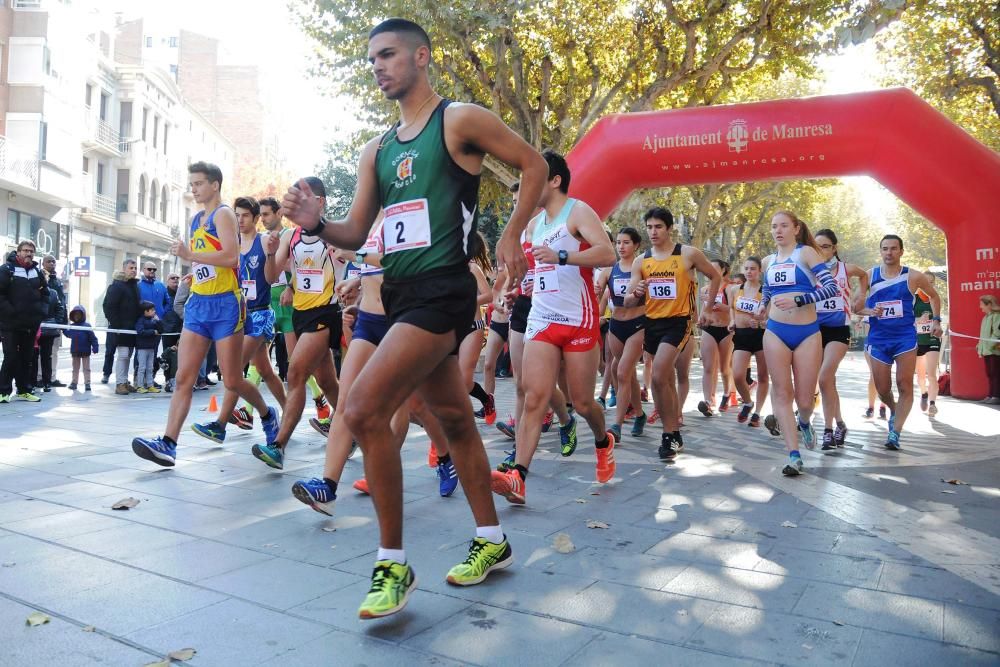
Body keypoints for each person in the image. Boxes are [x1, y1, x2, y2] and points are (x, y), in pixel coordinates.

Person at [281, 18, 548, 619]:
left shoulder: (459, 120)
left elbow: (533, 164)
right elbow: (356, 232)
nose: (377, 66)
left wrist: (511, 233)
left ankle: (392, 562)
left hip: (444, 291)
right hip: (398, 294)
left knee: (362, 408)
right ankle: (492, 539)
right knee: (453, 419)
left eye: (389, 54)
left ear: (421, 56)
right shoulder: (375, 149)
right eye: (371, 58)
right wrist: (316, 222)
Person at [131, 161, 279, 466]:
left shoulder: (224, 214)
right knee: (184, 378)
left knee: (232, 380)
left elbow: (231, 256)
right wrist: (195, 273)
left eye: (198, 183)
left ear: (214, 184)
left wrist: (190, 255)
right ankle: (169, 443)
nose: (193, 189)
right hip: (199, 303)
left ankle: (267, 414)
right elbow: (208, 261)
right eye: (192, 184)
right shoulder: (196, 218)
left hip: (226, 305)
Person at [490, 149, 617, 505]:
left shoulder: (577, 211)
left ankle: (602, 440)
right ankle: (519, 476)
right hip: (542, 319)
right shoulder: (532, 225)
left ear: (555, 180)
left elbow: (606, 253)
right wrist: (517, 290)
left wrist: (565, 255)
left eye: (535, 178)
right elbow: (535, 270)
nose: (528, 184)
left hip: (579, 320)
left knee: (583, 401)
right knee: (534, 397)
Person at [251, 177, 341, 469]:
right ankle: (352, 429)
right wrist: (269, 252)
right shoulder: (291, 237)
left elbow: (351, 260)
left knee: (296, 373)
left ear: (320, 202)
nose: (298, 205)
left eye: (305, 200)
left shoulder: (334, 234)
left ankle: (278, 445)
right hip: (301, 314)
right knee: (327, 381)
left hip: (326, 313)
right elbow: (269, 275)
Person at [622, 207, 722, 460]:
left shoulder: (687, 254)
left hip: (679, 322)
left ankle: (669, 434)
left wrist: (707, 309)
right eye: (649, 227)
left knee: (657, 375)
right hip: (651, 323)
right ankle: (674, 432)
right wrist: (636, 292)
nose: (653, 232)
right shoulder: (641, 261)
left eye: (658, 227)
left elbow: (715, 275)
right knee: (662, 380)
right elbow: (627, 301)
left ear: (669, 228)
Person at [191, 196, 285, 445]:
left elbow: (272, 277)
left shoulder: (264, 241)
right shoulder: (230, 244)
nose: (240, 220)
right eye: (237, 215)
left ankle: (220, 424)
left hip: (261, 312)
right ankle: (289, 412)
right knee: (265, 370)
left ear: (255, 218)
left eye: (245, 215)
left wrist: (272, 256)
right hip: (239, 314)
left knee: (234, 370)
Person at [855, 234, 941, 450]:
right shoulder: (869, 275)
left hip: (905, 338)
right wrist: (870, 311)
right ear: (880, 251)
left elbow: (934, 296)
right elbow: (856, 307)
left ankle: (895, 432)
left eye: (893, 248)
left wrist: (937, 320)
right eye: (885, 249)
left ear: (901, 251)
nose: (889, 253)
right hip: (878, 339)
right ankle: (893, 410)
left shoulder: (913, 277)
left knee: (904, 384)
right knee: (883, 388)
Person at [813, 229, 868, 449]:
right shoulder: (810, 271)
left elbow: (864, 275)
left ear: (834, 248)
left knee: (825, 378)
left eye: (825, 246)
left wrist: (860, 295)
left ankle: (827, 431)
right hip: (814, 331)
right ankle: (840, 424)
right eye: (816, 247)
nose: (820, 251)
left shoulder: (846, 269)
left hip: (838, 330)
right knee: (828, 383)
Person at [597, 226, 647, 440]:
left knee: (622, 371)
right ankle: (640, 414)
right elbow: (598, 291)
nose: (621, 246)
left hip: (638, 323)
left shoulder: (643, 267)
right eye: (618, 242)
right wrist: (597, 290)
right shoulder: (609, 270)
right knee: (626, 373)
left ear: (636, 245)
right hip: (616, 326)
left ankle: (616, 426)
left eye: (626, 242)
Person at [0, 241, 49, 403]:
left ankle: (24, 390)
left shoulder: (37, 272)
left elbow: (46, 294)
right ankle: (3, 391)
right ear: (18, 252)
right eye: (26, 251)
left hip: (30, 324)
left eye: (32, 252)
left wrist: (41, 312)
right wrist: (11, 312)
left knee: (27, 358)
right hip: (10, 324)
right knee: (11, 357)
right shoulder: (7, 270)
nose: (29, 254)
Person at [728, 256, 768, 428]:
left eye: (753, 268)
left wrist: (760, 323)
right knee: (737, 375)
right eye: (746, 268)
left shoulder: (767, 291)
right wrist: (731, 321)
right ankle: (747, 402)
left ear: (760, 271)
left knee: (762, 376)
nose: (749, 271)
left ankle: (757, 413)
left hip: (761, 336)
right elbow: (731, 308)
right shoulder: (735, 289)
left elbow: (771, 317)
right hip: (742, 335)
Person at [698, 259, 734, 417]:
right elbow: (704, 309)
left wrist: (723, 307)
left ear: (723, 271)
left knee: (724, 368)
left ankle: (727, 394)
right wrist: (700, 319)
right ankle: (708, 400)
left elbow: (734, 309)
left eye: (714, 268)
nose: (710, 271)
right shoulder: (705, 289)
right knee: (707, 366)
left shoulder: (730, 288)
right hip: (709, 329)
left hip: (726, 330)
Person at [103, 259, 141, 395]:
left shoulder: (134, 285)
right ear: (124, 269)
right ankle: (119, 383)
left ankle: (124, 381)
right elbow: (108, 307)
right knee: (123, 355)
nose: (133, 270)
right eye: (131, 267)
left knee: (128, 356)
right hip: (121, 328)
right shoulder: (117, 286)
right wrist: (117, 326)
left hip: (132, 328)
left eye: (135, 268)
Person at [914, 271, 943, 415]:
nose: (928, 285)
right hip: (918, 340)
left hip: (932, 339)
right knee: (920, 377)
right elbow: (905, 321)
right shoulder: (913, 299)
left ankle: (932, 404)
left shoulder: (936, 298)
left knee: (931, 374)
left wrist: (937, 323)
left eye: (931, 282)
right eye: (926, 282)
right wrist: (918, 320)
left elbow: (939, 319)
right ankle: (924, 393)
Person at [39, 254, 67, 388]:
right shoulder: (39, 277)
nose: (51, 264)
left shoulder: (58, 280)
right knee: (40, 352)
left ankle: (51, 377)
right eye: (48, 261)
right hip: (41, 322)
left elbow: (61, 301)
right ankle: (40, 377)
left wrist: (61, 321)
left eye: (53, 262)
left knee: (54, 351)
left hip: (55, 322)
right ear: (43, 263)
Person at [63, 305, 99, 391]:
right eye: (75, 314)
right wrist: (64, 329)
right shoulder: (72, 326)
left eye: (79, 314)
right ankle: (74, 382)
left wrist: (95, 347)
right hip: (75, 352)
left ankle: (87, 383)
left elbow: (93, 338)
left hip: (85, 352)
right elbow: (68, 334)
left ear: (83, 315)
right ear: (72, 316)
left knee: (86, 368)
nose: (77, 316)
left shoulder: (87, 326)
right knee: (75, 368)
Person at [134, 300, 163, 393]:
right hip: (142, 348)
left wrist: (158, 321)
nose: (154, 311)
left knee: (150, 367)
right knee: (142, 367)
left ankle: (150, 385)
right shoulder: (140, 320)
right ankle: (140, 386)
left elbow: (161, 329)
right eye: (151, 310)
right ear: (145, 311)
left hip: (151, 347)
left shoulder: (153, 320)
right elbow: (140, 331)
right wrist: (152, 332)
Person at [977, 295, 1000, 404]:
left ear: (989, 305)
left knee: (995, 373)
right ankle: (990, 395)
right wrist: (980, 346)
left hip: (994, 351)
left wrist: (989, 345)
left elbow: (997, 333)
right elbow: (983, 335)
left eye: (982, 304)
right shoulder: (985, 318)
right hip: (986, 351)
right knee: (990, 373)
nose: (980, 307)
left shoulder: (997, 316)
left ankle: (996, 396)